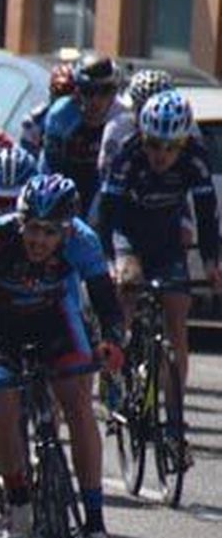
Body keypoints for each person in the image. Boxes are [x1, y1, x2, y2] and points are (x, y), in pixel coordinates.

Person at [0, 174, 125, 538]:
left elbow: (106, 303)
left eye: (50, 233)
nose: (38, 240)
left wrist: (113, 343)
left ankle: (96, 525)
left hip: (55, 320)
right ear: (20, 221)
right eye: (32, 228)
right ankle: (17, 502)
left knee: (79, 407)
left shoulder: (82, 241)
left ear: (66, 229)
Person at [98, 90, 222, 459]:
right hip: (129, 235)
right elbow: (109, 214)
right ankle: (115, 380)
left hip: (167, 241)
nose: (161, 155)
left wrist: (213, 262)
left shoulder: (194, 161)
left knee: (176, 321)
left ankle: (174, 419)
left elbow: (206, 214)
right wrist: (115, 260)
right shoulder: (128, 155)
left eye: (170, 147)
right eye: (154, 145)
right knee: (126, 297)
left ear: (183, 143)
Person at [42, 53, 122, 207]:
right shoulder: (60, 115)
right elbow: (49, 170)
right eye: (88, 91)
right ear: (77, 92)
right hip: (68, 182)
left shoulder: (122, 117)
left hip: (104, 188)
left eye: (105, 91)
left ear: (113, 93)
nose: (95, 100)